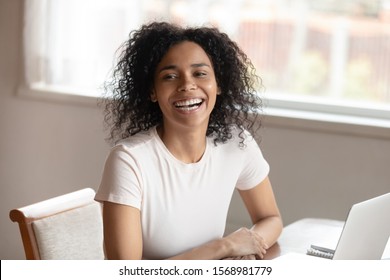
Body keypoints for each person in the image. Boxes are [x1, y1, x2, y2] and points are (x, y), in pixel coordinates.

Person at [95, 21, 283, 260]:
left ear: (218, 85)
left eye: (200, 73)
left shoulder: (236, 144)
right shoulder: (129, 160)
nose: (187, 85)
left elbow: (271, 219)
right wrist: (224, 247)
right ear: (152, 91)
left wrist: (249, 246)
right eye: (170, 76)